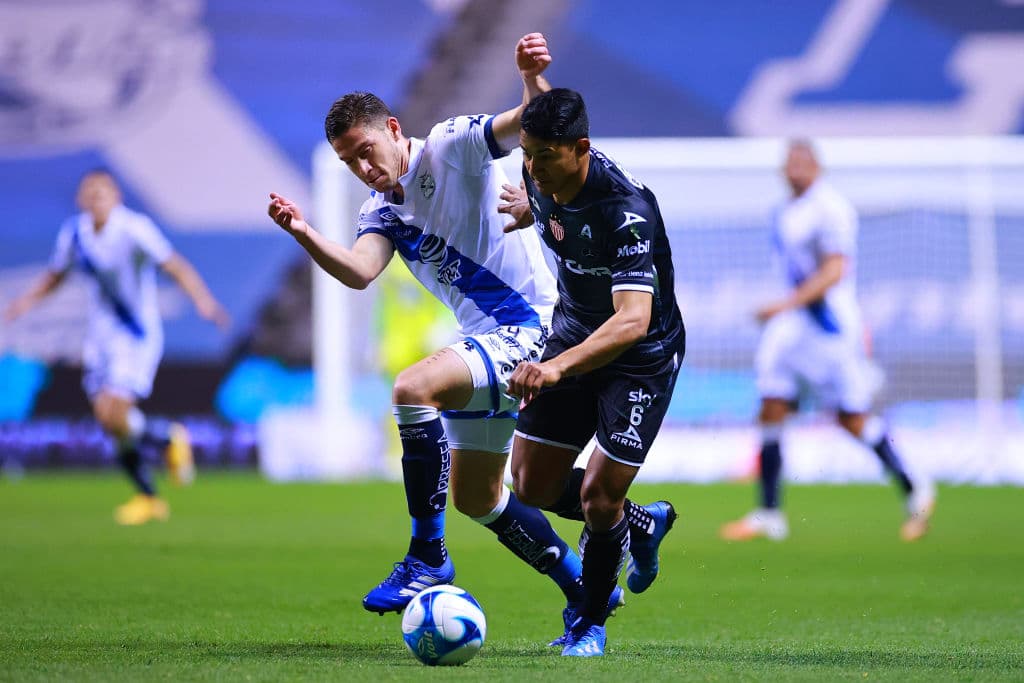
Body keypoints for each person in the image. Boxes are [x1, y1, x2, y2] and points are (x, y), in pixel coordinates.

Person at [267, 35, 669, 645]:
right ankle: (600, 574)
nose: (363, 169)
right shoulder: (381, 212)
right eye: (349, 162)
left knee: (412, 387)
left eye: (366, 151)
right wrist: (302, 231)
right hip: (485, 336)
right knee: (481, 498)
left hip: (533, 326)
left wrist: (532, 78)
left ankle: (427, 557)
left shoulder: (451, 146)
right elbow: (358, 272)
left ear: (394, 129)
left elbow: (524, 126)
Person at [500, 88, 685, 657]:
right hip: (576, 332)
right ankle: (641, 526)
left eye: (544, 157)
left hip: (639, 360)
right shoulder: (541, 174)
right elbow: (554, 207)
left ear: (581, 148)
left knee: (601, 498)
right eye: (526, 155)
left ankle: (589, 624)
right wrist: (533, 208)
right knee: (529, 484)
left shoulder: (626, 211)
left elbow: (632, 321)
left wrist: (553, 370)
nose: (531, 168)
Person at [719, 140, 935, 543]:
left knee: (851, 419)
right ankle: (769, 513)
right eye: (790, 162)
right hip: (792, 328)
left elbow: (834, 271)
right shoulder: (783, 211)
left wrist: (783, 305)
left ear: (818, 167)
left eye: (804, 162)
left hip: (829, 329)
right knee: (770, 405)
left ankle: (916, 486)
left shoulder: (831, 209)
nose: (796, 168)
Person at [4, 169, 229, 525]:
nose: (96, 198)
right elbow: (55, 275)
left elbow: (175, 266)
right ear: (81, 199)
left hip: (135, 334)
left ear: (116, 197)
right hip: (100, 338)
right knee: (109, 421)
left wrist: (203, 301)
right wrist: (23, 303)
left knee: (115, 410)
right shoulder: (75, 233)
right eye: (89, 192)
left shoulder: (133, 229)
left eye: (102, 192)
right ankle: (165, 447)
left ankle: (149, 490)